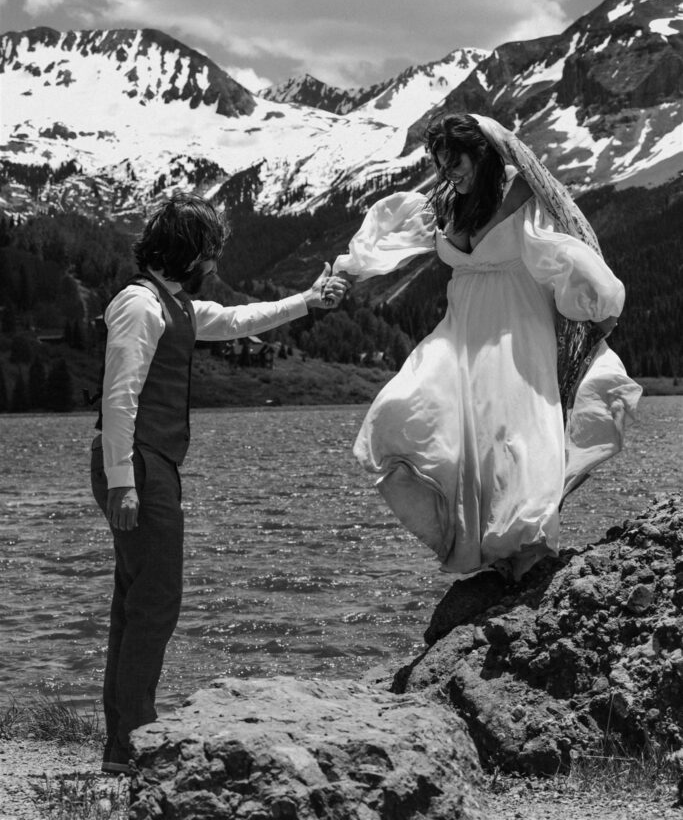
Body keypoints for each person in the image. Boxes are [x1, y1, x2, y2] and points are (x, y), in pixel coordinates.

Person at [90, 191, 347, 776]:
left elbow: (237, 319)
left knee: (137, 603)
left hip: (150, 464)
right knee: (154, 603)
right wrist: (122, 483)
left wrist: (307, 300)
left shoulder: (173, 304)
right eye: (210, 253)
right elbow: (119, 397)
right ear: (188, 251)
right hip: (139, 463)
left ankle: (122, 742)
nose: (214, 266)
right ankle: (132, 742)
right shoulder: (140, 305)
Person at [334, 113, 641, 584]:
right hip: (462, 329)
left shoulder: (522, 192)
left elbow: (557, 250)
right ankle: (484, 542)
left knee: (517, 430)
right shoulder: (447, 202)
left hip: (518, 325)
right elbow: (391, 234)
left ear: (482, 153)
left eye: (454, 161)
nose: (447, 172)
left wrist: (596, 302)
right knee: (413, 407)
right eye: (440, 164)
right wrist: (347, 271)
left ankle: (528, 542)